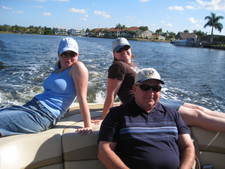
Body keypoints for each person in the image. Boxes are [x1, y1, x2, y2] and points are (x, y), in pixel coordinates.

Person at [92, 37, 225, 132]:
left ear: (131, 49)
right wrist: (105, 118)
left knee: (198, 108)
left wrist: (121, 103)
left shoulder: (130, 65)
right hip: (145, 105)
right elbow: (111, 93)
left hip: (153, 99)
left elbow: (126, 89)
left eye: (126, 48)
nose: (124, 51)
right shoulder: (117, 66)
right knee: (198, 116)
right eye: (119, 50)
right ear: (114, 54)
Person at [98, 68, 195, 169]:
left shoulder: (172, 114)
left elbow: (187, 146)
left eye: (156, 88)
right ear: (134, 89)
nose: (151, 93)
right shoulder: (117, 114)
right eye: (145, 87)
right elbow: (104, 151)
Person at [0, 37, 92, 137]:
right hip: (31, 106)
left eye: (72, 54)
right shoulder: (57, 68)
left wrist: (88, 125)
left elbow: (82, 98)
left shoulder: (78, 67)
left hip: (43, 115)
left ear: (78, 54)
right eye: (65, 54)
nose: (68, 58)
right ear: (58, 54)